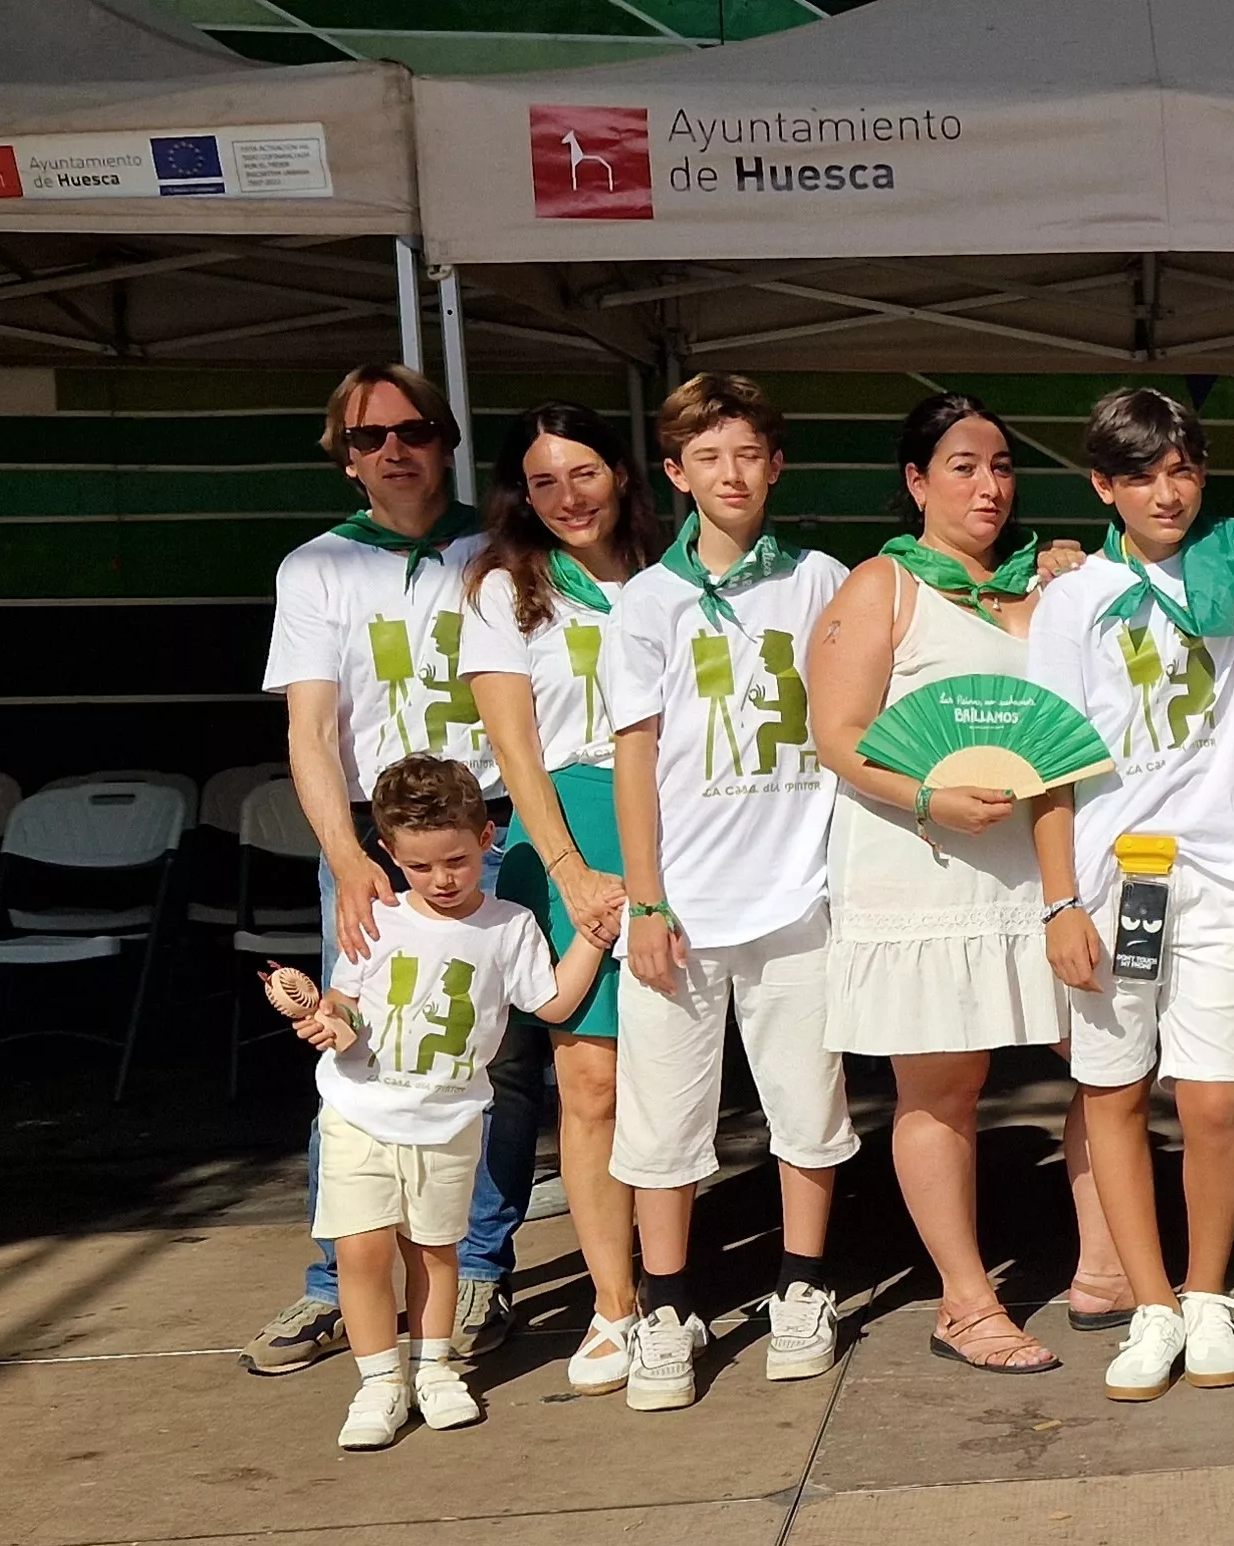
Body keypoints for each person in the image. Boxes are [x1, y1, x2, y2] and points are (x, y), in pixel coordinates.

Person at [807, 392, 1119, 1377]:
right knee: (943, 1085)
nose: (989, 486)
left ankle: (1104, 1267)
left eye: (1001, 466)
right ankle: (966, 1301)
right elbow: (837, 735)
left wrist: (1069, 576)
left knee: (1107, 1058)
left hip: (1047, 867)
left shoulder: (1047, 583)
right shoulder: (882, 585)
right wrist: (927, 794)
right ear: (916, 482)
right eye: (962, 467)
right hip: (923, 860)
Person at [248, 362, 549, 1378]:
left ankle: (477, 1268)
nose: (393, 450)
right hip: (375, 841)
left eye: (414, 430)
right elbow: (310, 729)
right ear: (343, 458)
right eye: (368, 437)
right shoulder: (316, 567)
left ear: (446, 440)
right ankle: (340, 1281)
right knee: (358, 1048)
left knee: (497, 1056)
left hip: (495, 827)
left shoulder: (505, 548)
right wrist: (346, 857)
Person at [605, 374, 857, 1412]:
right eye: (708, 458)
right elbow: (633, 757)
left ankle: (803, 1284)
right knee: (663, 1121)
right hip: (684, 905)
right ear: (675, 474)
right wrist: (646, 901)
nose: (732, 475)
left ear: (776, 464)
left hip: (799, 894)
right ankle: (667, 1306)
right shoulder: (645, 601)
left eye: (749, 454)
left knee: (809, 1106)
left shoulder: (822, 580)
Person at [1029, 387, 1234, 1401]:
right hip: (1109, 879)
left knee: (1212, 1099)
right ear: (1102, 487)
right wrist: (1059, 903)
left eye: (1182, 470)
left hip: (1220, 873)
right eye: (1141, 476)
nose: (1167, 493)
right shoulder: (1072, 599)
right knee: (1114, 1093)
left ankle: (1208, 1294)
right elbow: (1046, 762)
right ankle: (1152, 1304)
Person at [288, 755, 613, 1449]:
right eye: (420, 866)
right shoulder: (376, 918)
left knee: (436, 1252)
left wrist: (592, 938)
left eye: (457, 862)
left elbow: (551, 1001)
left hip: (449, 1121)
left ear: (486, 838)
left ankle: (433, 1368)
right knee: (361, 1251)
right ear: (389, 854)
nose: (441, 879)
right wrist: (330, 1020)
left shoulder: (509, 925)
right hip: (358, 1111)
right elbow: (346, 999)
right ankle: (379, 1382)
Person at [459, 402, 651, 1394]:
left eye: (583, 473)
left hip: (681, 828)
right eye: (543, 481)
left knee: (678, 1076)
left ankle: (675, 1279)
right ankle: (616, 1307)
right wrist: (570, 871)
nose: (568, 497)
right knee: (591, 1084)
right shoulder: (505, 589)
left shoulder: (674, 575)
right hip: (567, 832)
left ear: (620, 472)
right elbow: (516, 752)